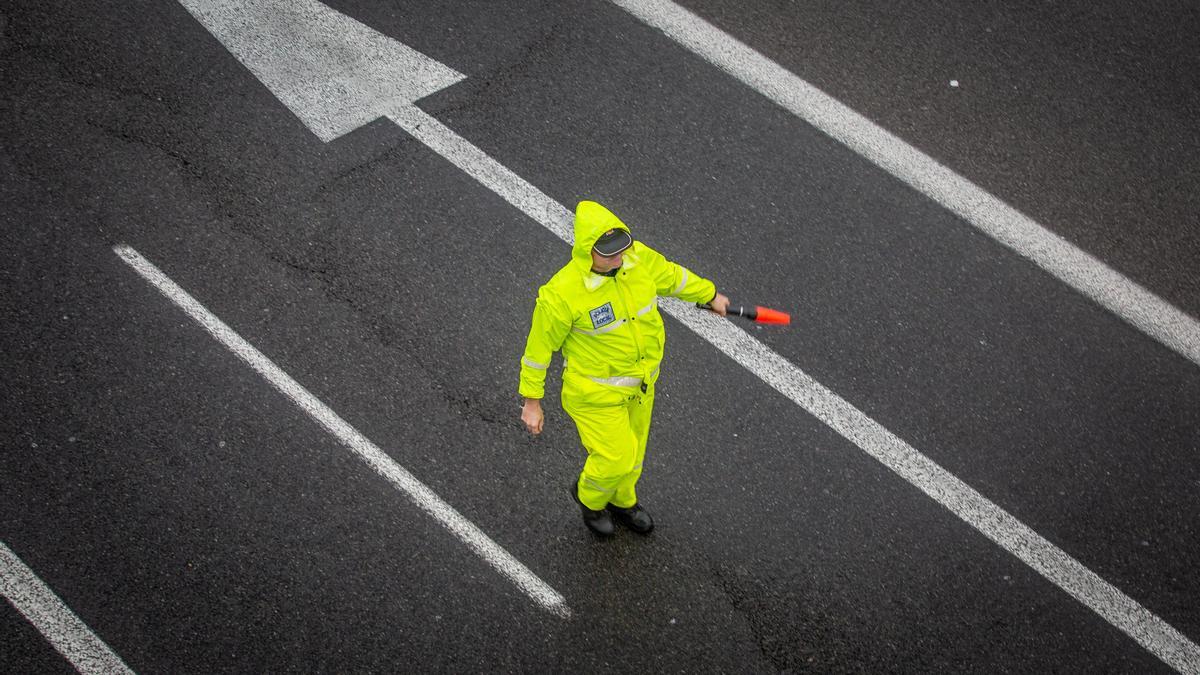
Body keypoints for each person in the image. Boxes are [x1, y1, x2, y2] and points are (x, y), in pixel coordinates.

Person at [518, 200, 729, 535]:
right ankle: (589, 499)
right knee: (615, 457)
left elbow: (673, 276)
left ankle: (622, 501)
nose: (619, 258)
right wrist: (532, 401)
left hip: (641, 385)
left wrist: (709, 294)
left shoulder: (637, 258)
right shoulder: (561, 294)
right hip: (594, 394)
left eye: (622, 249)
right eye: (609, 253)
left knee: (634, 455)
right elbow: (537, 350)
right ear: (588, 250)